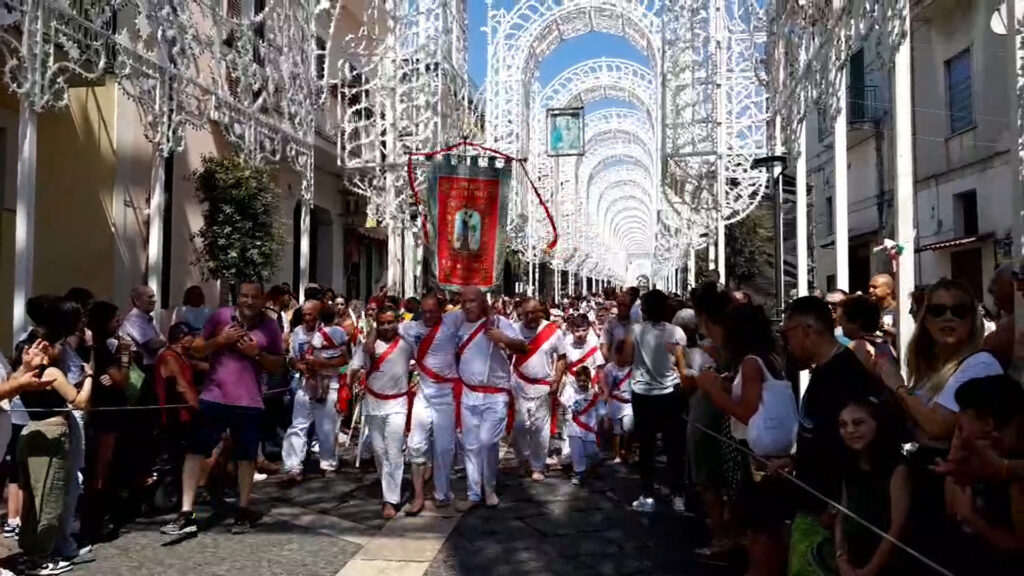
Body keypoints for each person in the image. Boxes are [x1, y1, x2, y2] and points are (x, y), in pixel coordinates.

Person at [161, 281, 285, 537]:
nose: (249, 301)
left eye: (254, 297)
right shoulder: (220, 316)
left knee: (246, 458)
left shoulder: (270, 325)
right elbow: (197, 348)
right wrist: (221, 340)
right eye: (244, 296)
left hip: (249, 400)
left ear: (262, 299)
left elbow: (278, 366)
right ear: (237, 297)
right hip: (214, 396)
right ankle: (186, 513)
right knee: (195, 451)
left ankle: (242, 510)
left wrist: (256, 354)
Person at [779, 296, 889, 576]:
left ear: (806, 330)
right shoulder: (825, 368)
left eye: (786, 333)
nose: (786, 343)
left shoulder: (843, 374)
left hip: (828, 508)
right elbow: (821, 431)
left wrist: (836, 505)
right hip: (813, 497)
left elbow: (854, 445)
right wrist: (796, 459)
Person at [696, 303, 792, 576]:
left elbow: (746, 413)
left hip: (754, 453)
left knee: (759, 528)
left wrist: (714, 390)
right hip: (772, 451)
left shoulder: (751, 363)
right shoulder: (770, 357)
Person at [18, 328, 94, 575]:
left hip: (30, 432)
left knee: (33, 498)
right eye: (59, 344)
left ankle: (30, 551)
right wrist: (90, 378)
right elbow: (79, 402)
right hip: (51, 435)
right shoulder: (51, 371)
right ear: (47, 347)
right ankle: (41, 557)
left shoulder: (25, 370)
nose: (63, 349)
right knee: (49, 497)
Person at [943, 375, 1024, 574]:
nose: (958, 428)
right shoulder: (978, 459)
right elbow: (951, 506)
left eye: (964, 418)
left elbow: (1019, 548)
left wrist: (972, 519)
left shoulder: (1015, 476)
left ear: (988, 423)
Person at [455, 287, 527, 510]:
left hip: (495, 395)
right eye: (464, 301)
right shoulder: (456, 324)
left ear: (483, 302)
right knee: (471, 445)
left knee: (488, 442)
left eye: (473, 301)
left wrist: (503, 338)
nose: (468, 305)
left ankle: (490, 488)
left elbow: (523, 346)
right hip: (469, 393)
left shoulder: (501, 323)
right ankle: (474, 493)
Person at [624, 289, 689, 514]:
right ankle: (678, 494)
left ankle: (647, 494)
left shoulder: (636, 330)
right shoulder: (677, 332)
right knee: (674, 446)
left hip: (643, 394)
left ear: (644, 309)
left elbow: (624, 358)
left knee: (646, 445)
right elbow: (681, 364)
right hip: (670, 392)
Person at [349, 306, 414, 519]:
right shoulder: (368, 345)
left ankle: (391, 500)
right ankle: (388, 489)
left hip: (398, 403)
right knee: (379, 451)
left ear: (397, 321)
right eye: (382, 323)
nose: (386, 326)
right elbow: (354, 366)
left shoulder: (406, 342)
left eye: (390, 322)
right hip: (373, 403)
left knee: (394, 450)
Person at [399, 294, 462, 514]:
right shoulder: (410, 328)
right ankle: (417, 496)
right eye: (424, 311)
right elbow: (382, 329)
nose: (428, 315)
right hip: (423, 395)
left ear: (441, 309)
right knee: (416, 444)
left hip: (446, 395)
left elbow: (477, 312)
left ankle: (442, 492)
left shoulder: (452, 323)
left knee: (445, 447)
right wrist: (369, 341)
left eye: (432, 311)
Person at [834, 398, 910, 576]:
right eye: (843, 425)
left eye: (858, 423)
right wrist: (841, 558)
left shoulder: (898, 469)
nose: (850, 430)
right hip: (854, 561)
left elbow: (896, 528)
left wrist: (870, 570)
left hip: (888, 565)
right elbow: (842, 515)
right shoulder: (849, 464)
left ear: (878, 424)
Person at [281, 300, 348, 482]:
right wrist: (299, 366)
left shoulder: (333, 332)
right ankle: (294, 467)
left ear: (320, 315)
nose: (307, 318)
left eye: (311, 314)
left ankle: (328, 463)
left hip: (328, 384)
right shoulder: (298, 332)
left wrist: (322, 364)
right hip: (306, 383)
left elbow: (345, 360)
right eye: (304, 314)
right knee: (298, 424)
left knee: (327, 427)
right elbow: (292, 359)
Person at [511, 298, 567, 482]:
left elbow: (561, 357)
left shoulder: (552, 331)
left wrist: (556, 380)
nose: (529, 318)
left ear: (540, 312)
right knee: (519, 426)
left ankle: (537, 465)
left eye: (533, 313)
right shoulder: (514, 329)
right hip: (519, 383)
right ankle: (522, 459)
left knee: (540, 429)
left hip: (542, 385)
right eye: (525, 314)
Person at [559, 365, 604, 485]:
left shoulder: (594, 395)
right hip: (574, 428)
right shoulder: (570, 393)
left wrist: (603, 421)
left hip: (589, 429)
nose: (582, 383)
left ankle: (593, 466)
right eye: (579, 381)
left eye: (585, 381)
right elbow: (563, 402)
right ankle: (579, 473)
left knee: (592, 452)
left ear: (589, 380)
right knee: (577, 452)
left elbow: (601, 411)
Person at [838, 294, 896, 376]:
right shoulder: (885, 345)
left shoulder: (857, 347)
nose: (840, 324)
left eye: (842, 319)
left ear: (856, 322)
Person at [604, 341, 633, 463]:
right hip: (615, 402)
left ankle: (626, 451)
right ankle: (617, 454)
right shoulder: (609, 368)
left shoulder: (633, 368)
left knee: (629, 427)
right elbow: (607, 388)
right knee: (617, 429)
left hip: (629, 402)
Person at [600, 292, 634, 361]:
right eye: (619, 305)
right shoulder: (610, 324)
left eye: (625, 305)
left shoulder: (637, 324)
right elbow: (604, 347)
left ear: (631, 306)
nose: (622, 308)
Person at [868, 274, 899, 347]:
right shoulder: (870, 310)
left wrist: (884, 328)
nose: (870, 290)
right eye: (869, 287)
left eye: (875, 287)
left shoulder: (899, 310)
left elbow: (904, 334)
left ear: (888, 289)